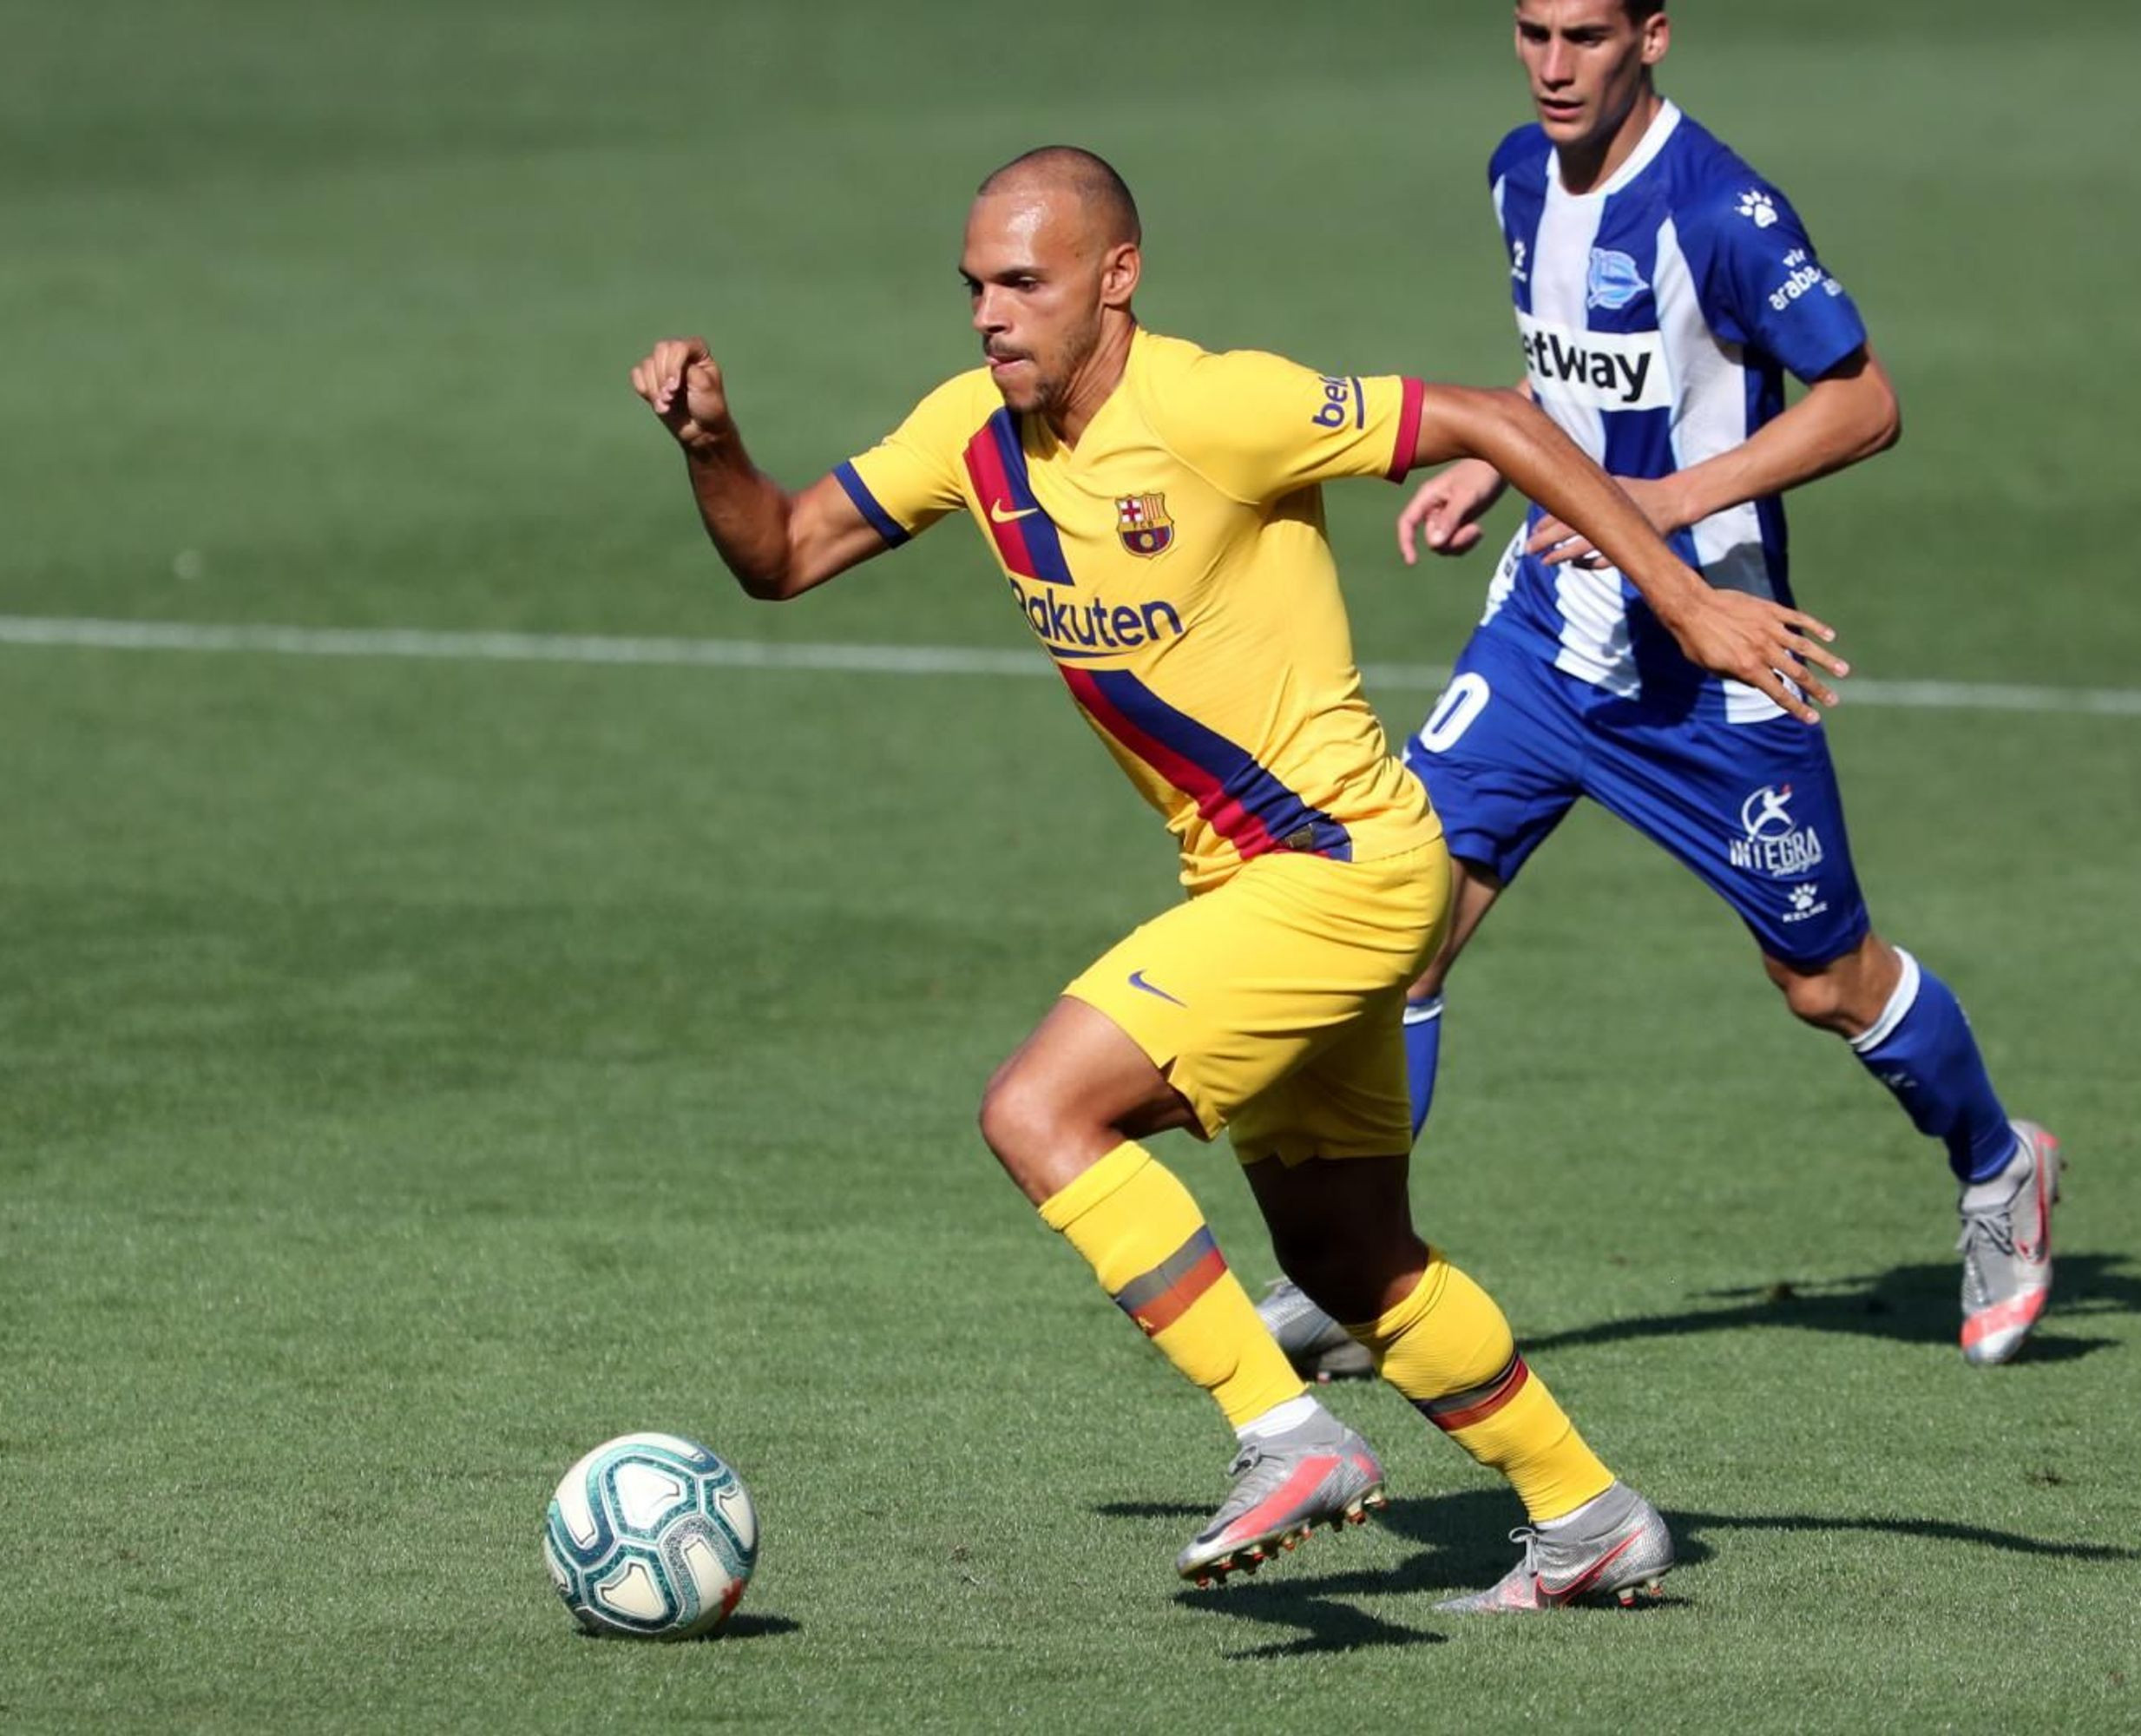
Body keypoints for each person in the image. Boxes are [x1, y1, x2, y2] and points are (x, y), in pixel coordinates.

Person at [629, 146, 1845, 1610]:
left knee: (1038, 1109)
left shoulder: (1214, 406)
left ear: (1116, 281)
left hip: (1341, 871)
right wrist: (713, 443)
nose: (989, 316)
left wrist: (1689, 596)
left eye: (1024, 283)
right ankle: (1589, 1516)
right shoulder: (974, 436)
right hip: (1270, 892)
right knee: (1353, 1260)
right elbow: (782, 551)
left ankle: (1285, 1435)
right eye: (975, 287)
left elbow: (1496, 418)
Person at [1257, 0, 2059, 1375]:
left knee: (1823, 982)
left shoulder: (1726, 211)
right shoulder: (1518, 172)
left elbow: (1863, 401)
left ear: (1655, 37)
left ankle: (1999, 1165)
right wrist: (1502, 452)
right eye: (1531, 32)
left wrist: (1660, 502)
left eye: (1585, 36)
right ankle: (1360, 1277)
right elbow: (1571, 361)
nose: (1554, 67)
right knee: (1404, 935)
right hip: (1547, 639)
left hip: (1711, 664)